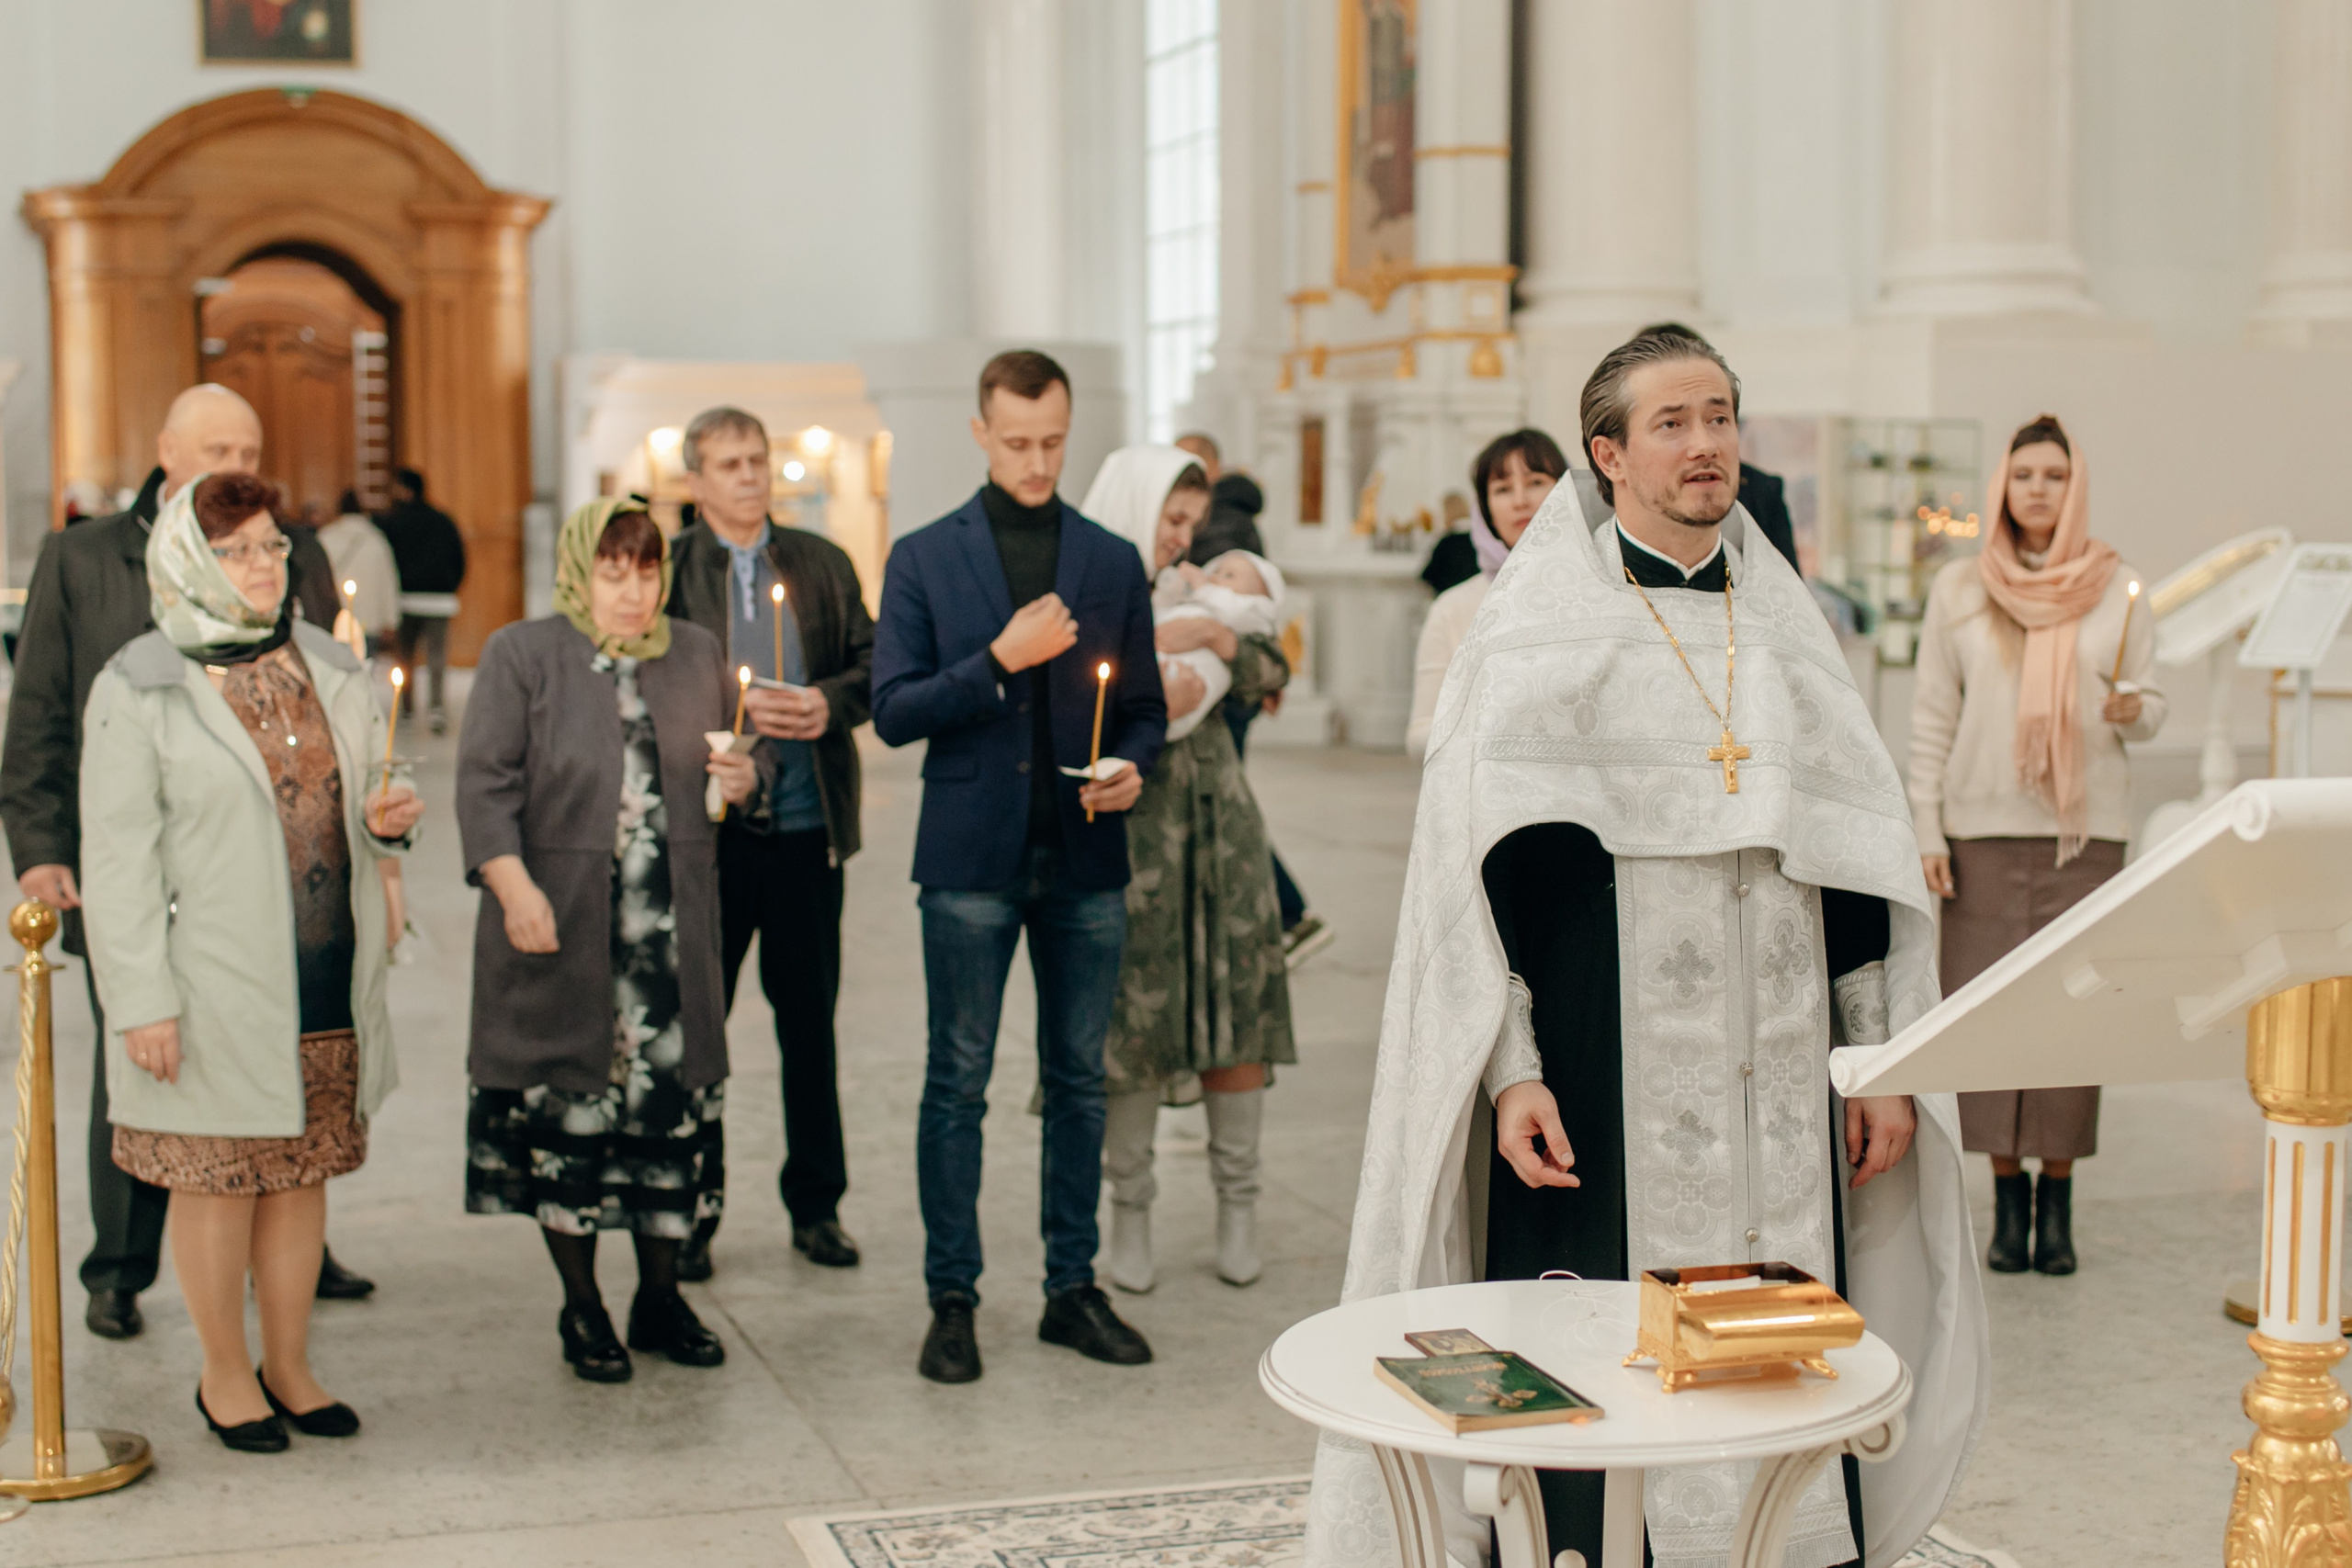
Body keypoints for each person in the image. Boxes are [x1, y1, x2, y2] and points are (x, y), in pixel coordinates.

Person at [1305, 326, 1987, 1568]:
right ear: (1606, 453)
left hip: (1780, 1075)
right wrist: (1511, 1067)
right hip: (1600, 1057)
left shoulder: (1786, 629)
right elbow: (1482, 888)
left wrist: (1877, 1048)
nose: (1707, 443)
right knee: (1600, 1351)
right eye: (1672, 422)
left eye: (1720, 415)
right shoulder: (1533, 634)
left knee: (1779, 1336)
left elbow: (1848, 861)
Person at [0, 383, 374, 1345]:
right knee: (151, 1067)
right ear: (165, 447)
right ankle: (121, 1267)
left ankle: (291, 1254)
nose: (234, 461)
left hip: (277, 870)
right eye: (214, 444)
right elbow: (39, 710)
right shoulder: (85, 557)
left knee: (287, 1056)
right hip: (136, 867)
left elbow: (328, 706)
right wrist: (40, 850)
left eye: (248, 445)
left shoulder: (299, 553)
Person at [79, 472, 424, 1452]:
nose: (261, 566)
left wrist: (388, 824)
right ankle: (225, 1376)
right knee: (218, 1178)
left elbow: (367, 800)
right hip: (211, 981)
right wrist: (140, 999)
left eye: (272, 545)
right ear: (187, 559)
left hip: (324, 971)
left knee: (299, 1172)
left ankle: (291, 1364)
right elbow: (119, 863)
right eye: (234, 550)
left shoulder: (330, 667)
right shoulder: (140, 685)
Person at [871, 349, 1164, 1385]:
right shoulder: (922, 557)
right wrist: (1000, 658)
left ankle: (1069, 1288)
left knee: (1078, 1082)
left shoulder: (1109, 557)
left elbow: (1144, 708)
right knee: (956, 1082)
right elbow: (894, 711)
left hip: (1084, 858)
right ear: (981, 433)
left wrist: (1132, 762)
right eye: (1018, 443)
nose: (1037, 462)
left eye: (1053, 442)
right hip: (967, 861)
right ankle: (952, 1298)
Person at [458, 499, 760, 1383]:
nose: (632, 593)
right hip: (564, 931)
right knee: (573, 1123)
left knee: (670, 1126)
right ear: (581, 572)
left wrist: (744, 774)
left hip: (669, 943)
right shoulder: (524, 654)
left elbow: (732, 765)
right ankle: (582, 1305)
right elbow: (485, 786)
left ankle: (660, 1297)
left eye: (648, 572)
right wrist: (512, 886)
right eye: (614, 572)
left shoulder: (696, 652)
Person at [1909, 415, 2162, 1277]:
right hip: (1980, 825)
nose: (2040, 490)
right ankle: (2004, 1199)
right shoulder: (1960, 589)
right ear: (2002, 486)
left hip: (2080, 832)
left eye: (2055, 474)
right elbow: (1932, 715)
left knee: (2071, 1017)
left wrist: (2139, 709)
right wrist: (1925, 824)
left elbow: (2150, 697)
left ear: (2075, 485)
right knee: (1986, 1017)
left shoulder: (2117, 583)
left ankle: (2057, 1203)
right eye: (2025, 475)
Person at [664, 406, 876, 1280]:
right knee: (698, 1032)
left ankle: (817, 1205)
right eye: (729, 463)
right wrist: (718, 724)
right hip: (708, 838)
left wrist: (830, 701)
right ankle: (692, 1207)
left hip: (803, 828)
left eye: (758, 460)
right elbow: (644, 682)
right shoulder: (673, 569)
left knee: (809, 1026)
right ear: (697, 481)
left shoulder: (820, 562)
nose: (749, 475)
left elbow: (874, 664)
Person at [1080, 446, 1295, 1297]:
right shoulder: (1091, 586)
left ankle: (1237, 1207)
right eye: (1171, 522)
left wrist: (1216, 635)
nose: (1182, 541)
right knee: (1131, 1022)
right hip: (1134, 832)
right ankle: (1128, 1211)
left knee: (1235, 1006)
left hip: (1221, 826)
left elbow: (1272, 666)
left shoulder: (1196, 591)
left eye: (1191, 526)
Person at [1171, 432, 1326, 967]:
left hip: (1226, 688)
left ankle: (1290, 914)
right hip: (1218, 677)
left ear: (1212, 465)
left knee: (1226, 800)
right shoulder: (1211, 514)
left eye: (1192, 459)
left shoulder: (1225, 519)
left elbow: (1250, 605)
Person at [1406, 428, 1567, 758]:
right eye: (1503, 489)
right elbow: (1420, 734)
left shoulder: (1608, 588)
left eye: (1536, 482)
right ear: (1486, 509)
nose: (1521, 501)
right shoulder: (1454, 608)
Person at [377, 468, 467, 734]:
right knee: (436, 655)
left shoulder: (394, 522)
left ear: (405, 489)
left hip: (405, 598)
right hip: (439, 598)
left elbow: (387, 562)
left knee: (405, 654)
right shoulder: (443, 520)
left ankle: (406, 707)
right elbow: (459, 558)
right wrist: (450, 585)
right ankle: (436, 707)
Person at [319, 490, 401, 655]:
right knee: (365, 669)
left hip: (334, 615)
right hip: (368, 619)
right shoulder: (376, 540)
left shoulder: (326, 537)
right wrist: (391, 620)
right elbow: (387, 581)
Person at [1173, 433, 1267, 562]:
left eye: (1185, 464)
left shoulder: (1225, 514)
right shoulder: (1223, 505)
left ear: (1213, 467)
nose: (1176, 473)